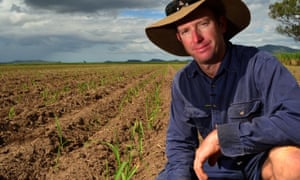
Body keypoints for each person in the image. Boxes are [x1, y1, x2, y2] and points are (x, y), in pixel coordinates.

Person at [145, 0, 300, 179]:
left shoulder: (260, 65)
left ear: (221, 24)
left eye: (203, 24)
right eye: (185, 31)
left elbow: (296, 120)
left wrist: (224, 137)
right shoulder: (183, 81)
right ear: (180, 39)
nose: (196, 38)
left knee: (292, 161)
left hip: (259, 165)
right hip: (214, 168)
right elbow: (180, 145)